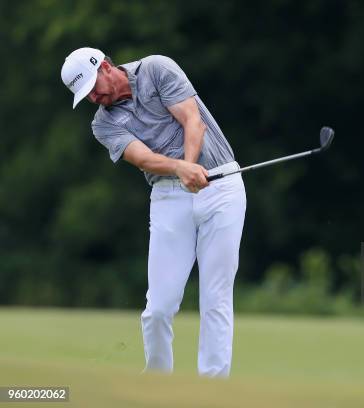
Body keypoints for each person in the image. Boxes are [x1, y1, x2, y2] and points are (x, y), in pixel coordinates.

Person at [61, 47, 247, 377]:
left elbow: (193, 121)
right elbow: (144, 159)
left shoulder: (157, 70)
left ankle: (214, 389)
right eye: (85, 95)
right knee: (159, 307)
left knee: (215, 297)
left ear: (105, 66)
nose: (93, 97)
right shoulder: (102, 124)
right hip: (168, 196)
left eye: (93, 87)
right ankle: (158, 385)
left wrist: (188, 167)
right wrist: (182, 171)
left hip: (221, 186)